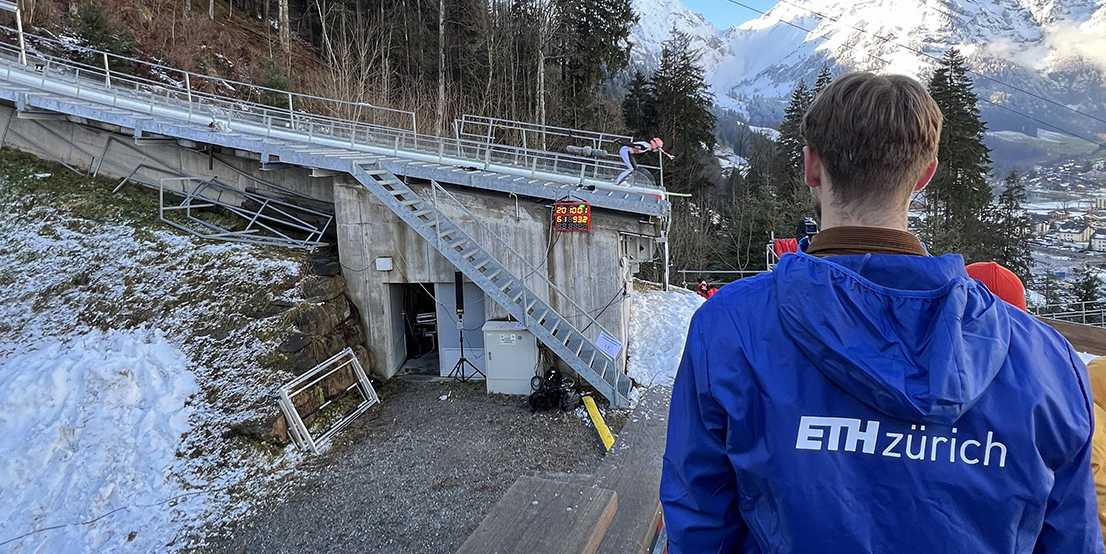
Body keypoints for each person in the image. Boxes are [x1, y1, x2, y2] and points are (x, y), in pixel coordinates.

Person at [660, 72, 1102, 553]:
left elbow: (699, 522)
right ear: (925, 174)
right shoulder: (1047, 361)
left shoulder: (729, 329)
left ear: (812, 167)